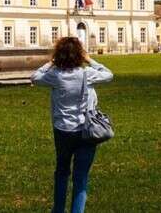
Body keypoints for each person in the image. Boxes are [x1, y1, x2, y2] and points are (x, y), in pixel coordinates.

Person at [31, 37, 113, 213]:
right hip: (86, 130)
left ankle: (58, 210)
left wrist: (50, 63)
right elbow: (108, 74)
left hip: (63, 130)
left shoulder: (55, 75)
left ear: (59, 55)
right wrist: (90, 60)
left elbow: (35, 77)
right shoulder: (87, 74)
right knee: (81, 178)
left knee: (61, 172)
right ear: (79, 55)